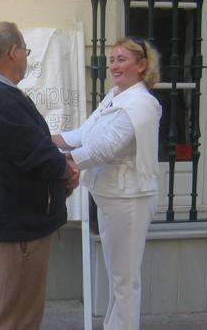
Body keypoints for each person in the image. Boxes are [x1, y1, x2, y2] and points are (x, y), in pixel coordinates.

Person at [0, 21, 79, 330]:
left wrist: (61, 162)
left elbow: (31, 148)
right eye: (25, 51)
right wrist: (66, 169)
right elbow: (36, 153)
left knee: (1, 309)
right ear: (13, 53)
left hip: (10, 223)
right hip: (19, 229)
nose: (26, 58)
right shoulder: (1, 98)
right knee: (18, 317)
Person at [52, 37, 162, 330]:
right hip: (111, 194)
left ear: (141, 66)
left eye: (122, 59)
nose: (114, 65)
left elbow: (105, 148)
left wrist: (62, 162)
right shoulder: (115, 95)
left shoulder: (141, 103)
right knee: (118, 277)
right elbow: (85, 133)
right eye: (112, 59)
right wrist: (47, 140)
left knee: (125, 280)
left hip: (129, 198)